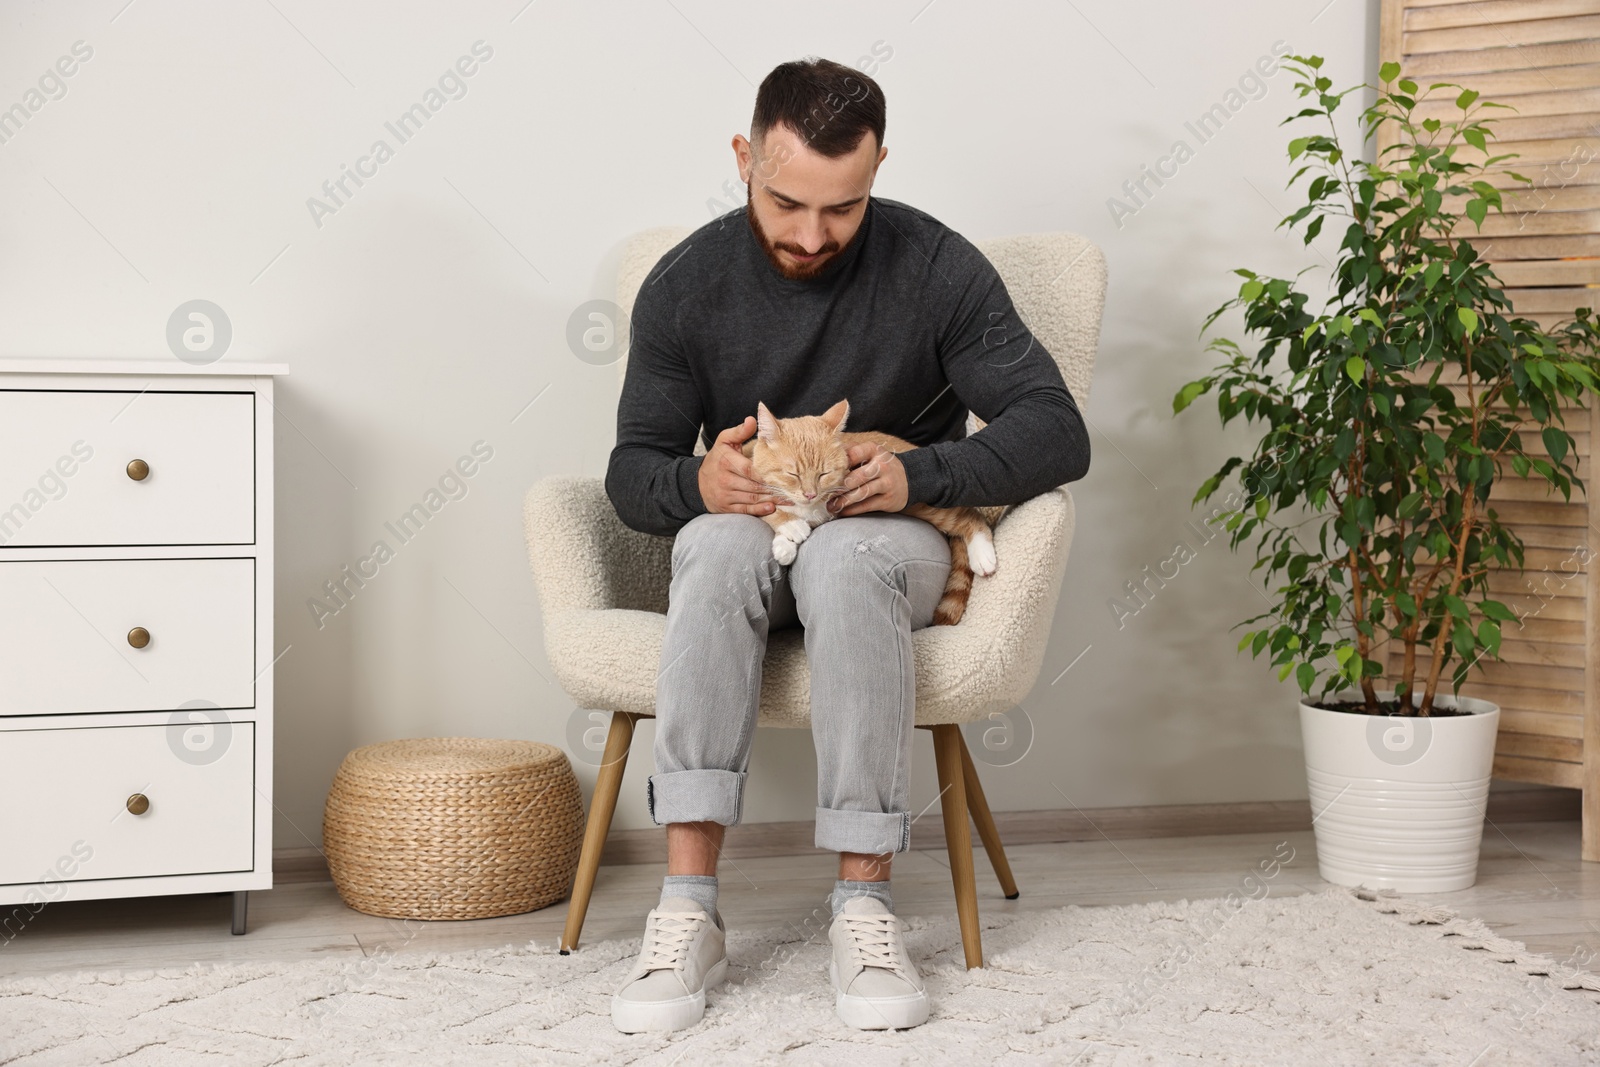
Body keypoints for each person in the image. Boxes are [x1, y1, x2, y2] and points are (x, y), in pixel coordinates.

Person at [603, 54, 1090, 1033]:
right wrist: (696, 482)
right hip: (753, 533)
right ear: (743, 157)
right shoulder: (684, 286)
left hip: (887, 543)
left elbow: (1056, 430)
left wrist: (925, 476)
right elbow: (630, 471)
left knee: (846, 553)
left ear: (876, 172)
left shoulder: (936, 266)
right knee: (712, 545)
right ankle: (686, 908)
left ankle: (863, 905)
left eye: (844, 208)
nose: (812, 235)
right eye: (786, 202)